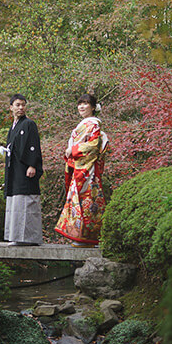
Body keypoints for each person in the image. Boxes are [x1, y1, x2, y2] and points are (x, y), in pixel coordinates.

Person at [55, 93, 108, 246]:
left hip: (87, 169)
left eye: (86, 104)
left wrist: (74, 149)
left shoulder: (94, 124)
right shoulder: (84, 124)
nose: (82, 107)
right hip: (80, 166)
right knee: (80, 200)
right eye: (80, 104)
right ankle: (81, 237)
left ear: (93, 107)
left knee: (87, 199)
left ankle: (87, 238)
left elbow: (93, 146)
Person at [1, 94, 43, 245]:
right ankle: (16, 236)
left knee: (26, 201)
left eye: (23, 105)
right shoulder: (13, 126)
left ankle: (29, 238)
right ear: (11, 107)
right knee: (15, 201)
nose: (20, 108)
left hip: (26, 169)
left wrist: (32, 164)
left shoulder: (28, 124)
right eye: (17, 105)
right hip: (15, 170)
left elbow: (33, 145)